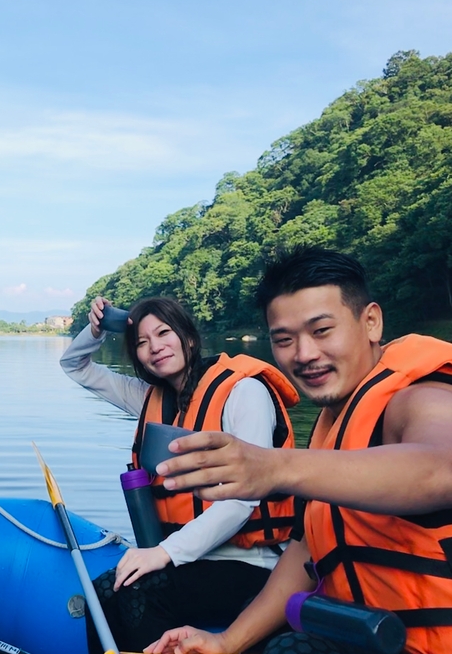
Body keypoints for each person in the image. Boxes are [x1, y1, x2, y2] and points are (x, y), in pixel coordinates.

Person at [147, 247, 452, 654]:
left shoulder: (419, 398)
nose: (304, 354)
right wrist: (225, 642)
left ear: (371, 322)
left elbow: (441, 469)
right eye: (285, 340)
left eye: (322, 330)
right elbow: (304, 552)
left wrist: (277, 466)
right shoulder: (331, 432)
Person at [60, 295, 298, 653]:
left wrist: (163, 553)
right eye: (142, 342)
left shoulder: (244, 392)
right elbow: (75, 364)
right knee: (102, 595)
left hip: (252, 564)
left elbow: (242, 499)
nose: (154, 347)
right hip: (190, 561)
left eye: (163, 333)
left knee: (140, 591)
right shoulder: (148, 398)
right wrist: (97, 329)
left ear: (187, 337)